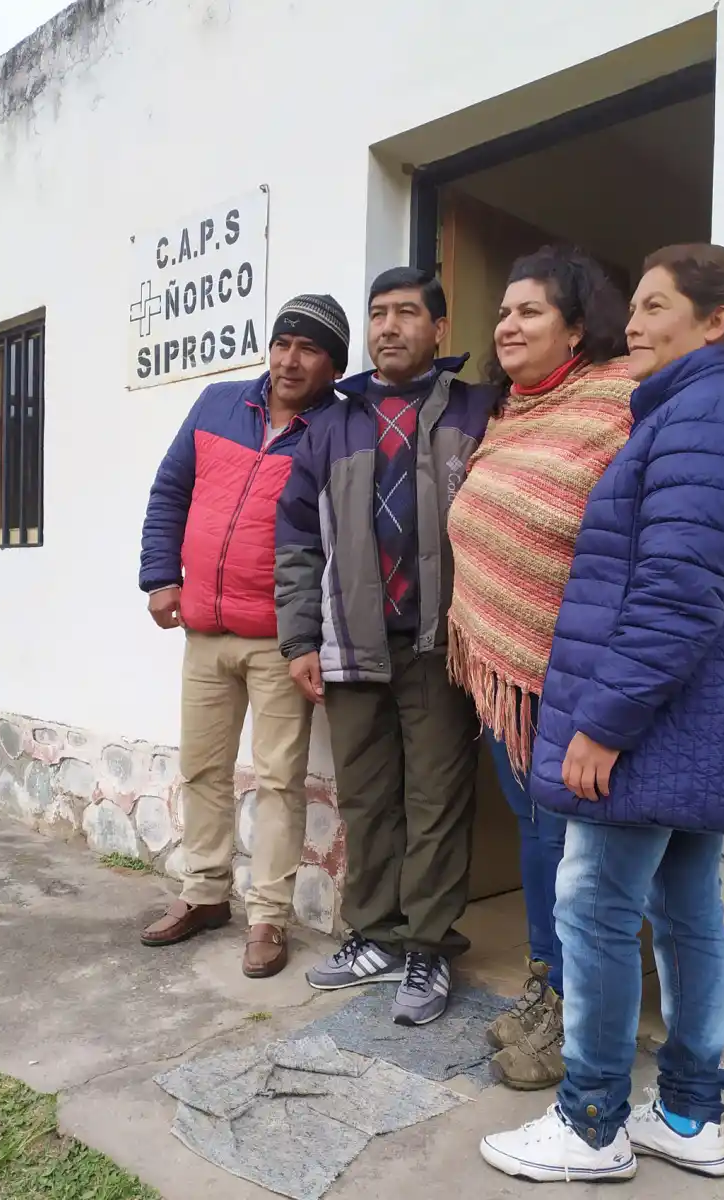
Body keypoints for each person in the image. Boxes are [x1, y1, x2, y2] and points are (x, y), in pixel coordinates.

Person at [479, 244, 724, 1183]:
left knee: (591, 905)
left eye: (656, 305)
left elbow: (676, 593)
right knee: (684, 913)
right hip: (695, 721)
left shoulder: (709, 411)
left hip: (661, 721)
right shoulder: (700, 408)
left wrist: (604, 724)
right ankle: (687, 1115)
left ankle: (590, 1123)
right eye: (631, 305)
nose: (634, 321)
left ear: (718, 322)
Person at [274, 267, 494, 1025]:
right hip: (351, 645)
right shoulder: (331, 425)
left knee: (435, 800)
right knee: (367, 800)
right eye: (378, 314)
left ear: (439, 327)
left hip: (441, 643)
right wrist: (299, 637)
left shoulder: (479, 409)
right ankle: (375, 935)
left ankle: (428, 947)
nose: (389, 327)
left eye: (407, 313)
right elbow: (297, 541)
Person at [137, 294, 350, 979]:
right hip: (204, 629)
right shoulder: (218, 404)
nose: (290, 359)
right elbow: (170, 490)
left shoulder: (338, 428)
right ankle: (203, 894)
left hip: (279, 638)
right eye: (283, 342)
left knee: (282, 780)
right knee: (202, 768)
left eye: (308, 348)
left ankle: (267, 917)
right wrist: (159, 576)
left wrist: (312, 632)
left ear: (334, 364)